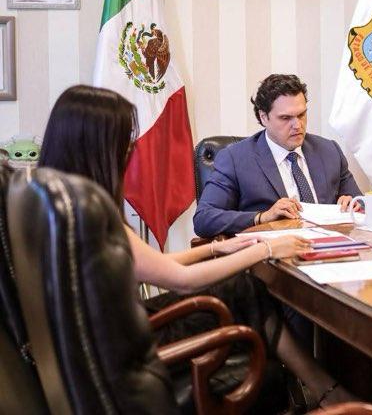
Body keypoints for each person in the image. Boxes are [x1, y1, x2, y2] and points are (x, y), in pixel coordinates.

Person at [38, 85, 354, 407]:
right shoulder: (88, 211)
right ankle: (326, 391)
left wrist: (215, 249)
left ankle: (319, 389)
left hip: (113, 330)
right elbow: (181, 279)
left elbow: (150, 263)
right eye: (125, 142)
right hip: (124, 340)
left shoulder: (58, 203)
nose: (131, 150)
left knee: (246, 291)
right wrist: (265, 250)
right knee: (246, 289)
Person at [194, 74, 361, 238]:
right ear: (264, 117)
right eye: (286, 118)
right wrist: (262, 217)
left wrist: (354, 205)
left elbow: (361, 204)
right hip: (273, 251)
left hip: (331, 247)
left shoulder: (329, 151)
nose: (297, 125)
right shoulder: (235, 159)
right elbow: (204, 218)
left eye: (301, 115)